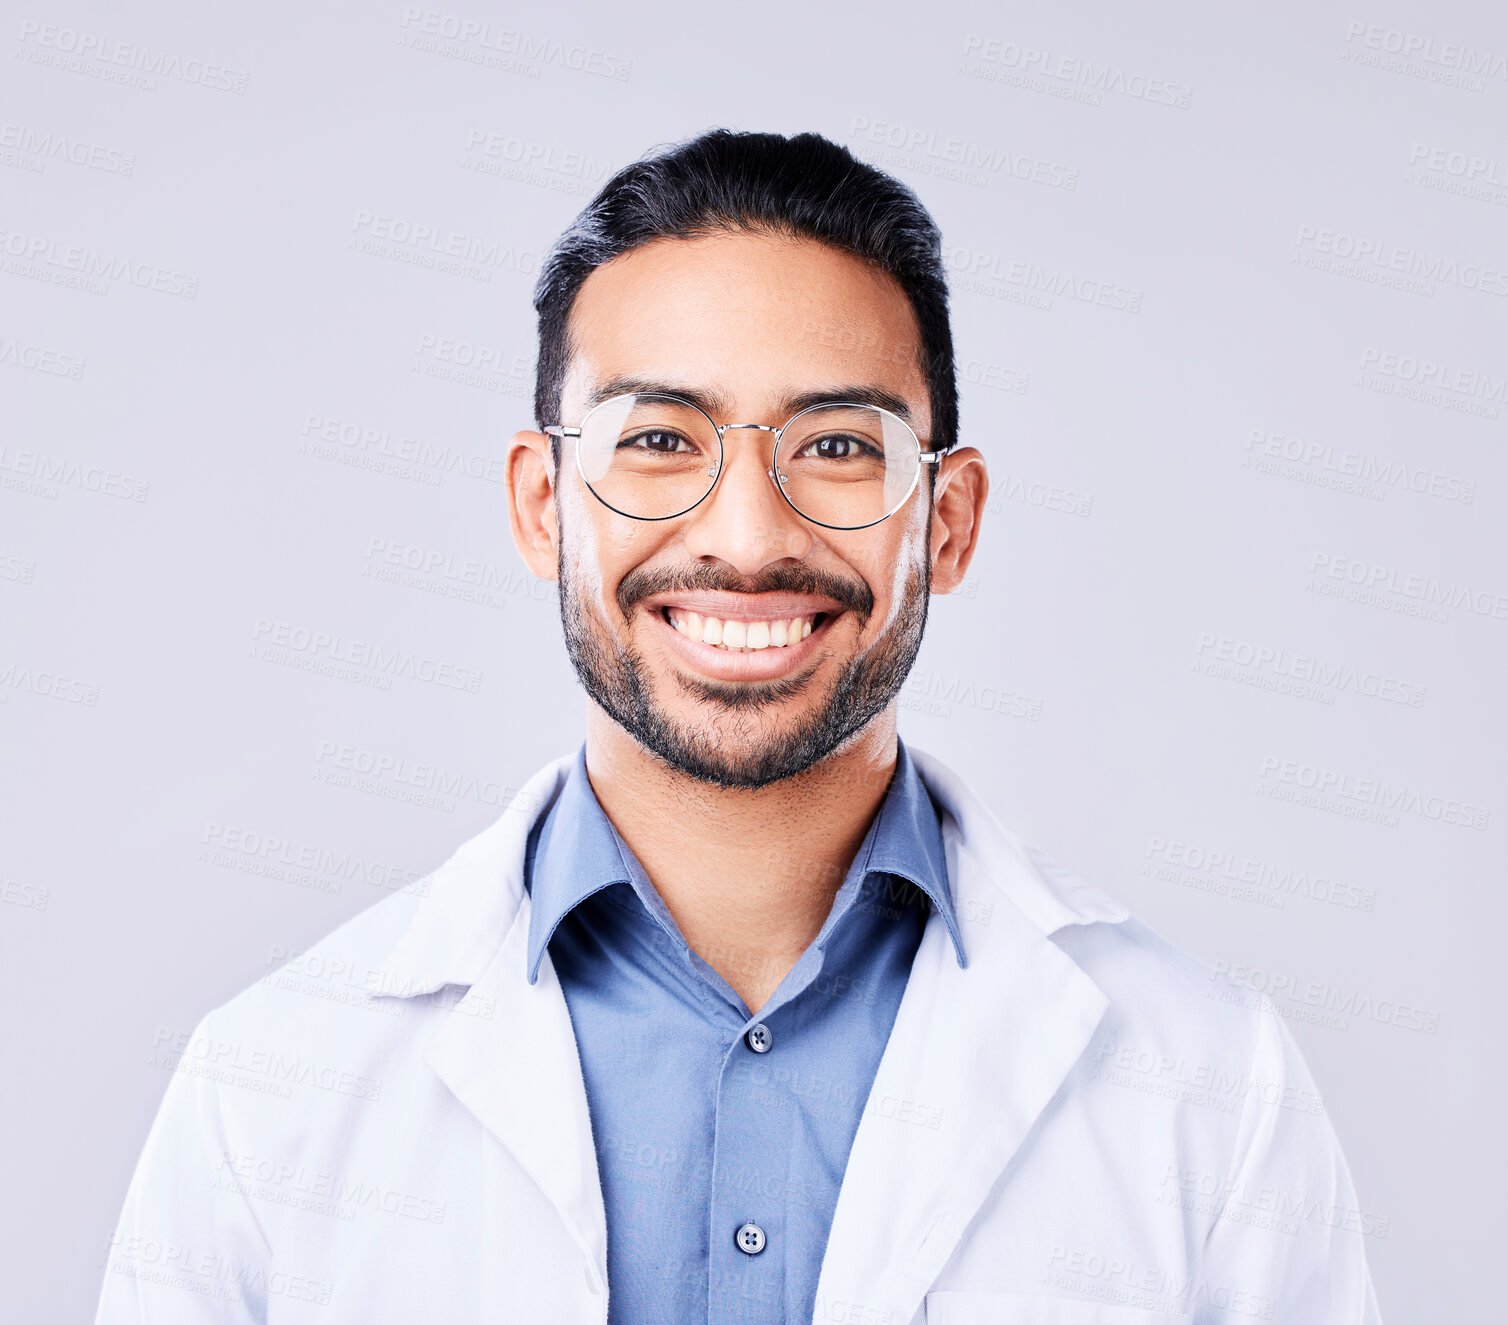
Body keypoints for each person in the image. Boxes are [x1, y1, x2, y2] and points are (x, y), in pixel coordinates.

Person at [96, 129, 1382, 1325]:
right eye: (657, 437)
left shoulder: (1209, 1086)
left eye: (836, 444)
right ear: (544, 505)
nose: (749, 536)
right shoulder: (271, 1086)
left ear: (947, 519)